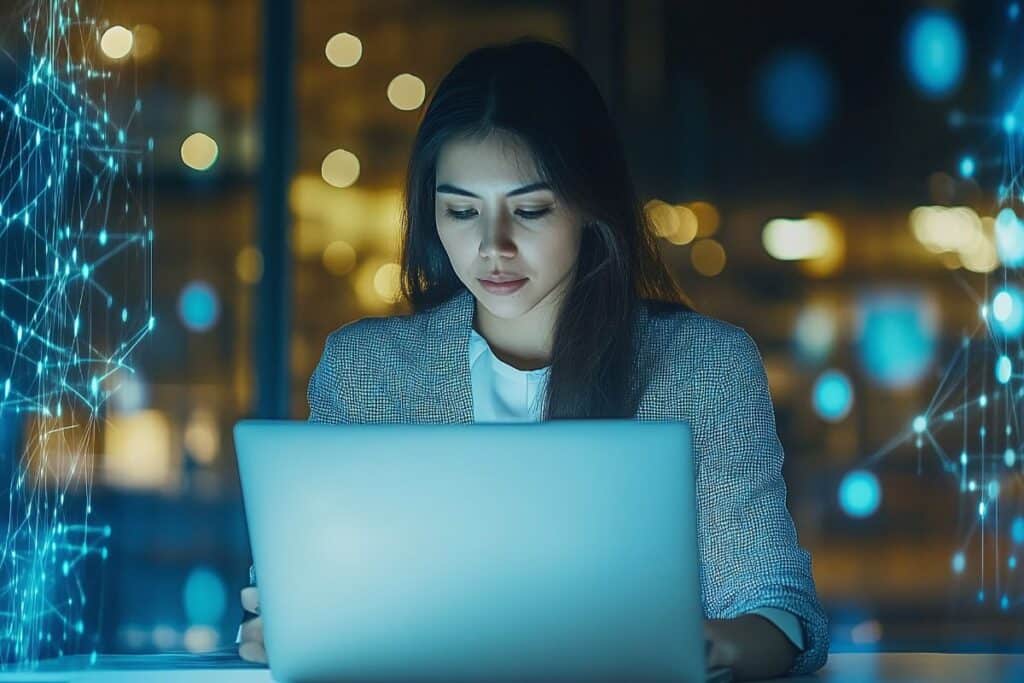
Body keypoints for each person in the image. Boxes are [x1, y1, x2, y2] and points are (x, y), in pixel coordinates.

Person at [238, 38, 829, 680]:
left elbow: (778, 608)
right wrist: (291, 622)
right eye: (461, 211)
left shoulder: (705, 367)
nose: (493, 246)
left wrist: (714, 648)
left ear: (589, 204)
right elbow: (309, 588)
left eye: (530, 210)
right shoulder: (366, 370)